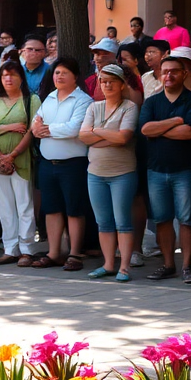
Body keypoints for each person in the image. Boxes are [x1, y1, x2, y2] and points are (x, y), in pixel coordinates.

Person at [139, 53, 191, 283]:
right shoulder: (152, 102)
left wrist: (159, 129)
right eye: (165, 72)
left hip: (185, 170)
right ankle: (168, 265)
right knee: (162, 219)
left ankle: (187, 267)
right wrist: (176, 121)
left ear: (184, 74)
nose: (169, 75)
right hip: (156, 170)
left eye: (174, 71)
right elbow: (145, 130)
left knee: (186, 219)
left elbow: (189, 132)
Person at [31, 58, 94, 271]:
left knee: (74, 209)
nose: (59, 76)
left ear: (75, 76)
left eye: (64, 73)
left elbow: (74, 128)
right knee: (51, 209)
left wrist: (47, 130)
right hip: (48, 163)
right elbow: (35, 124)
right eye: (57, 73)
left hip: (73, 164)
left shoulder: (83, 100)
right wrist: (41, 129)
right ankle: (54, 252)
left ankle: (75, 253)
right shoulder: (49, 98)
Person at [78, 64, 139, 281]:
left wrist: (96, 132)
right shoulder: (94, 107)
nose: (107, 85)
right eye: (103, 81)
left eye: (112, 81)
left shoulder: (129, 107)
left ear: (122, 84)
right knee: (103, 222)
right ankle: (108, 264)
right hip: (95, 172)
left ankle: (124, 267)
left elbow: (123, 137)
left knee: (123, 221)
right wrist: (108, 136)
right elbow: (83, 136)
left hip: (122, 172)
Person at [0, 61, 40, 266]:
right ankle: (10, 249)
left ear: (21, 78)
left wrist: (13, 155)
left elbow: (31, 131)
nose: (8, 78)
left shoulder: (31, 100)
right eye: (4, 75)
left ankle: (27, 250)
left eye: (13, 75)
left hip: (21, 159)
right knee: (3, 205)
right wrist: (8, 130)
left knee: (24, 204)